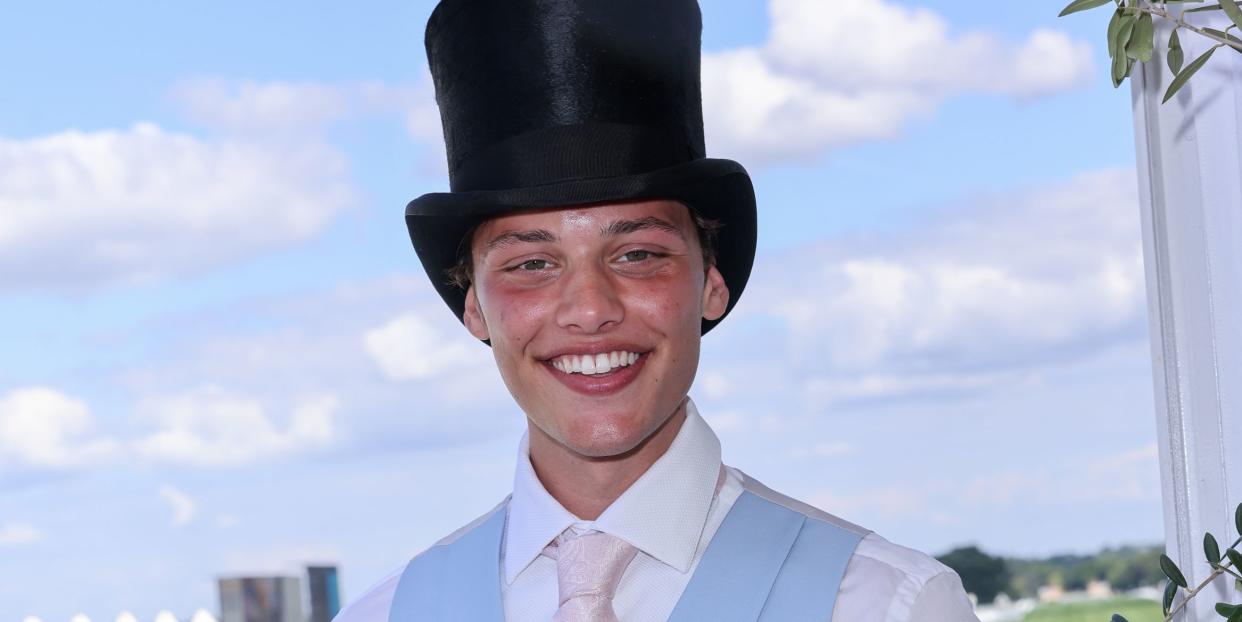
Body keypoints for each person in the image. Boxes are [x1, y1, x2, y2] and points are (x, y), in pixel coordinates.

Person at [335, 0, 980, 619]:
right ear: (473, 307)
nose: (589, 310)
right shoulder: (384, 615)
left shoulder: (883, 605)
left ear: (710, 284)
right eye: (531, 264)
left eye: (638, 254)